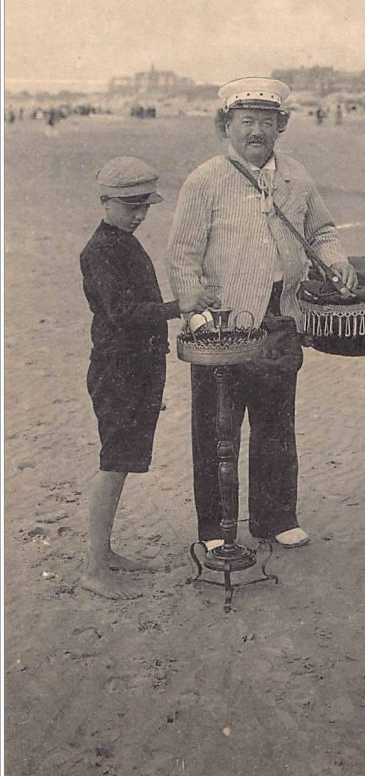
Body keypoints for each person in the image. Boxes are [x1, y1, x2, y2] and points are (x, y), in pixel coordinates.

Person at [167, 77, 357, 552]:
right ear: (227, 125)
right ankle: (213, 530)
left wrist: (337, 261)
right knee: (216, 429)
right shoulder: (205, 178)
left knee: (275, 423)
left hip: (281, 317)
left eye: (267, 122)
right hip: (222, 325)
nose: (257, 131)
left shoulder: (296, 175)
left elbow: (323, 231)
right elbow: (182, 255)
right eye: (246, 121)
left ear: (282, 126)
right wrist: (196, 319)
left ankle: (275, 518)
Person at [80, 157, 217, 598]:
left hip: (138, 366)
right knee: (113, 463)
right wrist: (182, 306)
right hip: (118, 368)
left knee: (122, 461)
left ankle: (105, 553)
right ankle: (94, 568)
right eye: (130, 207)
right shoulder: (100, 251)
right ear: (105, 202)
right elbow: (123, 314)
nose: (140, 215)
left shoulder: (123, 242)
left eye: (145, 206)